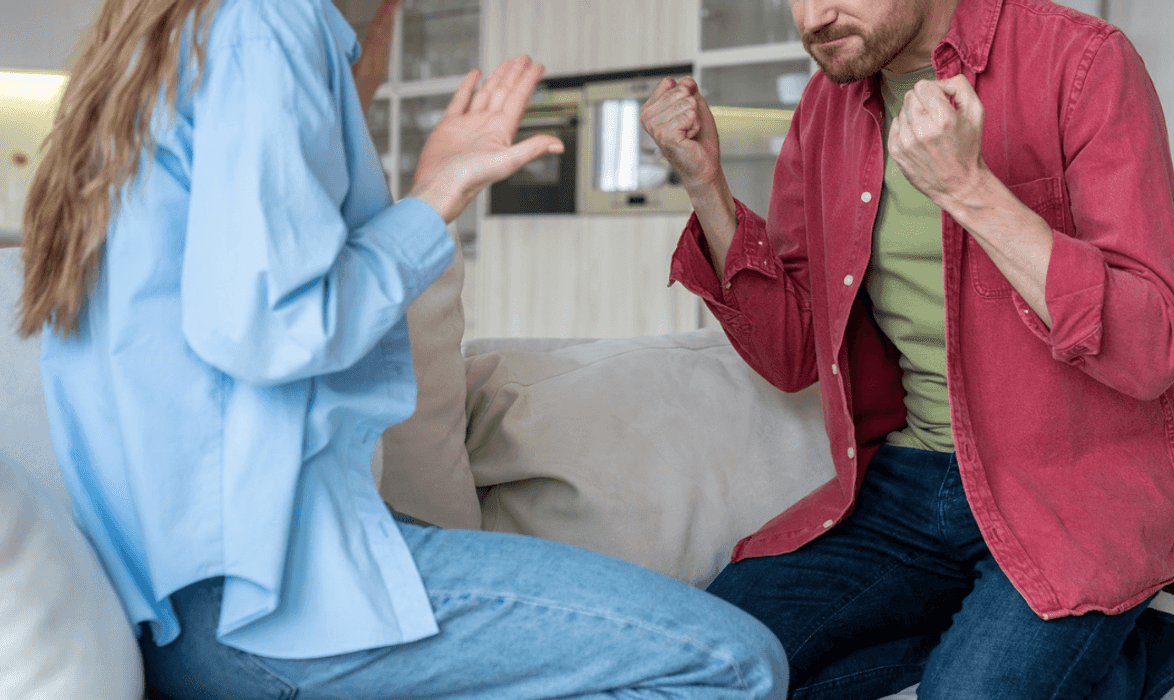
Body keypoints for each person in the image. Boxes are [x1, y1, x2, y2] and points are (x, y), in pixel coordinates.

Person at [17, 0, 788, 698]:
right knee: (728, 663)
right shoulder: (265, 21)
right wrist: (432, 202)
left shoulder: (155, 46)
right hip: (274, 608)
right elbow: (268, 326)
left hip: (188, 608)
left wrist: (425, 172)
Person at [641, 0, 1174, 697]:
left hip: (1071, 489)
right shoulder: (827, 104)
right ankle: (1071, 647)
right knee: (701, 659)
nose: (812, 15)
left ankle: (1112, 649)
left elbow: (1150, 348)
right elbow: (792, 354)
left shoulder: (1082, 59)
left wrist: (969, 191)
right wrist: (706, 185)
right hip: (906, 489)